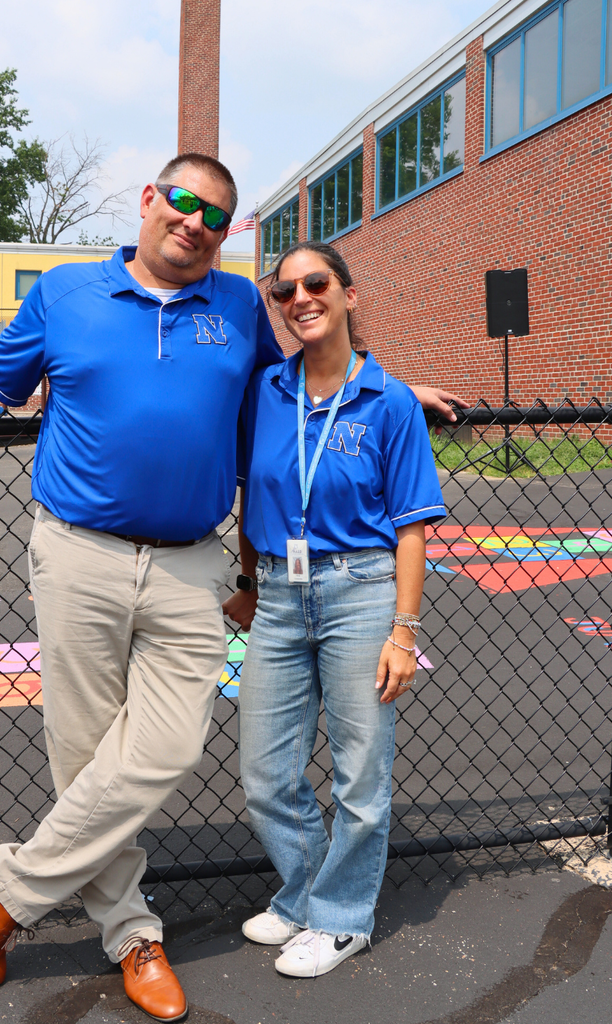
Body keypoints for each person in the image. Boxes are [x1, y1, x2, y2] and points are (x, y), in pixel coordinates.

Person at [0, 156, 464, 1021]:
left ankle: (8, 881)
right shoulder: (65, 293)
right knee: (86, 759)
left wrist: (392, 392)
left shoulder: (240, 304)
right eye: (184, 201)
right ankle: (131, 934)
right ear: (150, 202)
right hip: (78, 556)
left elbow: (316, 361)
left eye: (218, 216)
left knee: (165, 748)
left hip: (190, 562)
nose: (197, 221)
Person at [223, 240, 446, 979]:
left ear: (349, 294)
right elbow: (252, 491)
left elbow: (411, 525)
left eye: (314, 283)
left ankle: (342, 917)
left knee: (359, 773)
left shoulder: (388, 403)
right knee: (264, 769)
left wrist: (402, 633)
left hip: (360, 590)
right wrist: (250, 581)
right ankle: (303, 891)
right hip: (281, 598)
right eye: (282, 291)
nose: (297, 299)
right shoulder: (264, 392)